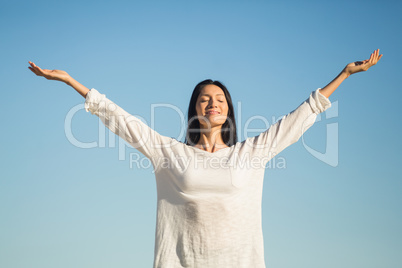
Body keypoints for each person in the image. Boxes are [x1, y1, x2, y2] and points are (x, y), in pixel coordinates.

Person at [28, 49, 382, 268]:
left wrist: (345, 74)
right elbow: (121, 120)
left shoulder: (251, 153)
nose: (212, 102)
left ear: (228, 110)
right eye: (204, 98)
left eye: (220, 99)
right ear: (194, 109)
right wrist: (72, 82)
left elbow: (302, 116)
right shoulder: (169, 153)